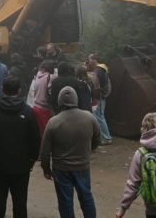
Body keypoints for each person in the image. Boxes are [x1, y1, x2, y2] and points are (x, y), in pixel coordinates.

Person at [0, 75, 41, 218]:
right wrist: (31, 160)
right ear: (19, 91)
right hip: (21, 166)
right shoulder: (27, 111)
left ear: (2, 89)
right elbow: (35, 138)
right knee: (20, 202)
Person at [40, 86, 101, 218]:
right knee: (86, 197)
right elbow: (97, 139)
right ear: (76, 100)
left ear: (59, 101)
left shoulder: (53, 122)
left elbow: (45, 151)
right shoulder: (89, 118)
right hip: (82, 166)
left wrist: (46, 169)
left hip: (61, 169)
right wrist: (88, 151)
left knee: (65, 202)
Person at [88, 55, 113, 145]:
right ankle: (105, 136)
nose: (89, 61)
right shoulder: (103, 69)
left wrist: (95, 98)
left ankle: (107, 138)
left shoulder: (98, 71)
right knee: (100, 116)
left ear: (94, 60)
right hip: (102, 96)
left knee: (99, 116)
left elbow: (96, 86)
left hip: (99, 97)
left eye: (90, 59)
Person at [31, 59, 58, 135]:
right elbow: (57, 76)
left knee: (38, 131)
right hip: (45, 109)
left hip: (36, 106)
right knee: (46, 133)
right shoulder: (50, 77)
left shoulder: (38, 75)